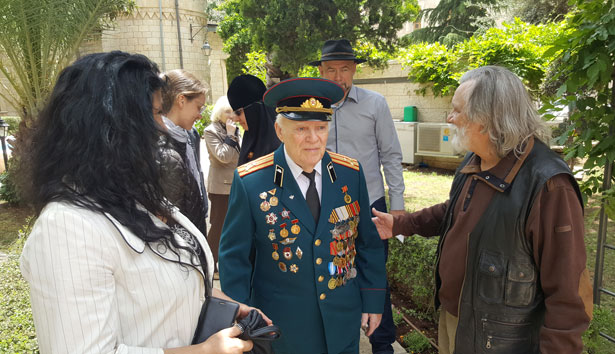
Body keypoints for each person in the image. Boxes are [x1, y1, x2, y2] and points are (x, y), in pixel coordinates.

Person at [19, 51, 266, 354]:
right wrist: (203, 351)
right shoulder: (68, 227)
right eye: (153, 115)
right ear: (105, 129)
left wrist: (223, 302)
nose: (163, 128)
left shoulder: (135, 197)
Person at [372, 66, 593, 354]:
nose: (450, 118)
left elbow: (568, 292)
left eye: (457, 110)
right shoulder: (476, 160)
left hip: (499, 340)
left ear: (487, 120)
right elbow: (456, 212)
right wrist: (401, 224)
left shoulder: (548, 185)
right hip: (458, 322)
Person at [219, 77, 387, 354]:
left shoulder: (350, 173)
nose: (313, 138)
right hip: (284, 328)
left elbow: (367, 243)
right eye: (301, 129)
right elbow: (234, 259)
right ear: (279, 131)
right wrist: (243, 319)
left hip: (342, 320)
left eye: (320, 128)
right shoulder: (251, 181)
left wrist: (372, 300)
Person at [310, 38, 404, 354]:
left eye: (345, 69)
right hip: (325, 206)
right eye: (331, 70)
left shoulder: (375, 104)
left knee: (374, 273)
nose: (338, 77)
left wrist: (399, 206)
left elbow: (390, 155)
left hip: (371, 204)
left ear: (354, 70)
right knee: (333, 275)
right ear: (321, 72)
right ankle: (340, 340)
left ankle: (382, 344)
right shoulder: (311, 107)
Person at [159, 69, 209, 235]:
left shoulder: (189, 135)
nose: (200, 116)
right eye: (198, 107)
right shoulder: (160, 147)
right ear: (181, 100)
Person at [204, 96, 241, 274]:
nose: (231, 115)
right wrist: (230, 135)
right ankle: (211, 262)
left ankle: (226, 261)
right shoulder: (211, 131)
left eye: (233, 111)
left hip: (236, 183)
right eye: (227, 111)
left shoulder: (233, 129)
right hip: (220, 186)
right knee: (218, 225)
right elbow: (223, 157)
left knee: (233, 225)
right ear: (219, 113)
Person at [227, 74, 281, 165]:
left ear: (255, 111)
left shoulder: (281, 148)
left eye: (238, 112)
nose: (235, 119)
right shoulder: (252, 137)